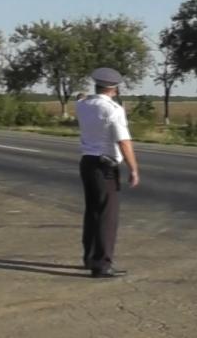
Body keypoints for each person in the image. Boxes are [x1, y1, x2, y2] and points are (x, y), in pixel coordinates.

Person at [75, 67, 140, 278]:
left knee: (93, 211)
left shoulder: (83, 105)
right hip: (105, 165)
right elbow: (124, 141)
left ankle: (90, 257)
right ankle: (102, 264)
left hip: (87, 162)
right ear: (115, 88)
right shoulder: (113, 110)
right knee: (107, 216)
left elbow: (81, 98)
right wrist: (133, 168)